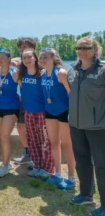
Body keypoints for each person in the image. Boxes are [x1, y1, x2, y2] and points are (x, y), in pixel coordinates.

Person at [68, 37, 105, 216]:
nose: (82, 50)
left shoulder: (103, 70)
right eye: (79, 47)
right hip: (76, 125)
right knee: (82, 161)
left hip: (99, 127)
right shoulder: (73, 70)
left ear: (95, 50)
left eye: (86, 47)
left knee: (102, 165)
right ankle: (85, 194)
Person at [39, 48, 75, 189]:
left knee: (67, 144)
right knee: (54, 142)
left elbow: (71, 94)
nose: (42, 60)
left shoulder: (60, 73)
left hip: (63, 112)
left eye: (45, 57)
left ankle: (71, 178)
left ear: (53, 58)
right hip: (50, 112)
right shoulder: (42, 73)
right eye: (41, 57)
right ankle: (57, 174)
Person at [18, 49, 54, 178]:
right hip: (28, 112)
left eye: (29, 57)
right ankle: (37, 165)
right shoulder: (22, 74)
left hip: (42, 112)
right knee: (32, 140)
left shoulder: (42, 74)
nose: (27, 60)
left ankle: (48, 168)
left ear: (35, 58)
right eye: (24, 58)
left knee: (44, 141)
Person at [0, 49, 20, 177]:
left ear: (9, 59)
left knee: (4, 135)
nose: (0, 60)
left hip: (11, 108)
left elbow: (24, 87)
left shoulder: (14, 73)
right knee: (2, 136)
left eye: (2, 58)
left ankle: (4, 165)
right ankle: (7, 162)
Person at [12, 38, 36, 168]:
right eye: (20, 48)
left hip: (36, 102)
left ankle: (37, 157)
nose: (22, 50)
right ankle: (27, 153)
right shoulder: (18, 62)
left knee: (35, 130)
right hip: (22, 99)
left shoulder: (38, 62)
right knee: (21, 126)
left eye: (25, 47)